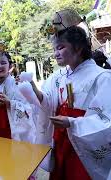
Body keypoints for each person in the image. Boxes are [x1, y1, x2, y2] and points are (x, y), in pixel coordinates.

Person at [31, 17, 111, 179]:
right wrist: (35, 92)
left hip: (84, 147)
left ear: (79, 47)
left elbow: (107, 120)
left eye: (60, 47)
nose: (55, 53)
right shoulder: (58, 77)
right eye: (55, 48)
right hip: (61, 142)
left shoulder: (102, 77)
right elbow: (51, 103)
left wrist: (73, 122)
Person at [0, 42, 36, 143]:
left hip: (11, 129)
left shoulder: (18, 85)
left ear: (10, 66)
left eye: (3, 63)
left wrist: (10, 103)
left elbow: (29, 109)